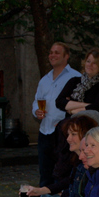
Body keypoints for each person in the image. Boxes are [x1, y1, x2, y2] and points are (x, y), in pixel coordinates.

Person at [32, 42, 81, 187]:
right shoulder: (44, 80)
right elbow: (36, 101)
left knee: (62, 172)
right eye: (51, 52)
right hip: (44, 131)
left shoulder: (76, 78)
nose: (52, 55)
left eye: (57, 52)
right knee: (45, 173)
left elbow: (79, 107)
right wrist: (36, 111)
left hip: (63, 133)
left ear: (66, 56)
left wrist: (65, 123)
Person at [56, 47, 99, 125]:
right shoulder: (74, 81)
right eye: (88, 61)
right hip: (72, 127)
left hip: (94, 128)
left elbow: (98, 107)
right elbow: (59, 102)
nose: (90, 65)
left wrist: (72, 109)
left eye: (94, 63)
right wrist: (87, 105)